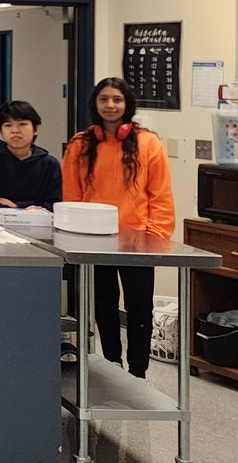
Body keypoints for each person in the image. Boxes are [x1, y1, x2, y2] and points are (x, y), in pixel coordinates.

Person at [63, 77, 176, 379]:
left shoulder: (149, 142)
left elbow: (161, 195)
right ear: (95, 104)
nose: (110, 105)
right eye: (104, 99)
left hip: (139, 240)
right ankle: (113, 366)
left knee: (140, 310)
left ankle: (138, 373)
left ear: (127, 105)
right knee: (104, 308)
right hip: (94, 242)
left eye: (117, 99)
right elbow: (71, 197)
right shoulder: (79, 144)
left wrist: (154, 236)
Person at [0, 100, 62, 221]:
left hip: (38, 226)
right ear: (1, 132)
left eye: (22, 124)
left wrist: (17, 207)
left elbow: (54, 204)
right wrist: (28, 208)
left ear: (36, 129)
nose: (15, 130)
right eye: (8, 125)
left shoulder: (49, 164)